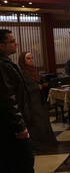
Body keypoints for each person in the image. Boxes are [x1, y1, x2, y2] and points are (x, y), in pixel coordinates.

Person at [0, 29, 34, 172]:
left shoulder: (6, 63)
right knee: (22, 163)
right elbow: (8, 99)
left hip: (11, 126)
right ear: (1, 45)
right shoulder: (2, 65)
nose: (16, 44)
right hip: (10, 129)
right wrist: (20, 126)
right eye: (12, 41)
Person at [18, 52, 57, 151]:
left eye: (32, 58)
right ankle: (39, 144)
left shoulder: (34, 71)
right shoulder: (21, 73)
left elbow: (40, 80)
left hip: (41, 100)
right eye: (28, 59)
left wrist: (44, 84)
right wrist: (36, 87)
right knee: (37, 123)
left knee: (44, 122)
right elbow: (23, 89)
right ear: (23, 61)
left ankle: (48, 141)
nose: (31, 60)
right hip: (32, 102)